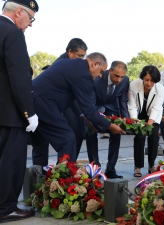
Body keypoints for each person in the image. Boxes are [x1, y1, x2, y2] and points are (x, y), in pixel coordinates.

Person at [29, 53, 126, 170]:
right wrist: (110, 126)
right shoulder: (84, 74)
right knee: (68, 139)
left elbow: (73, 99)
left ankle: (37, 180)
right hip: (43, 104)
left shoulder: (71, 63)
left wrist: (84, 117)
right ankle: (63, 181)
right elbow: (89, 109)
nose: (101, 75)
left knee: (40, 145)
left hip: (31, 101)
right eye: (101, 71)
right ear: (95, 64)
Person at [0, 0, 39, 221]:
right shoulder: (12, 33)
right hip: (9, 113)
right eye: (31, 18)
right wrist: (29, 112)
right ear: (19, 12)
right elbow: (19, 77)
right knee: (10, 162)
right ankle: (5, 208)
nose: (30, 24)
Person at [32, 38, 88, 169]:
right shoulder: (64, 64)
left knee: (41, 141)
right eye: (80, 56)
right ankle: (64, 172)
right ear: (70, 52)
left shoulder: (67, 63)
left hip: (41, 101)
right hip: (47, 103)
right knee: (69, 136)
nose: (82, 60)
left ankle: (40, 174)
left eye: (84, 57)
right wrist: (83, 114)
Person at [85, 61, 129, 179]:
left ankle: (111, 169)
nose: (119, 80)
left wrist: (127, 122)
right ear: (110, 71)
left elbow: (123, 102)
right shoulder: (97, 78)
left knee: (116, 131)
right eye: (116, 76)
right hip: (94, 107)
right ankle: (96, 168)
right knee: (90, 131)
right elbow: (90, 104)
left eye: (122, 77)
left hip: (111, 108)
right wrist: (92, 120)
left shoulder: (125, 81)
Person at [128, 65, 164, 176]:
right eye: (146, 80)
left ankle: (151, 165)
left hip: (154, 115)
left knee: (153, 137)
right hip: (140, 114)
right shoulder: (134, 85)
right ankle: (138, 166)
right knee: (139, 136)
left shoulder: (160, 89)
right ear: (142, 78)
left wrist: (149, 124)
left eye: (152, 81)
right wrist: (136, 123)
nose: (148, 83)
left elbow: (157, 107)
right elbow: (132, 105)